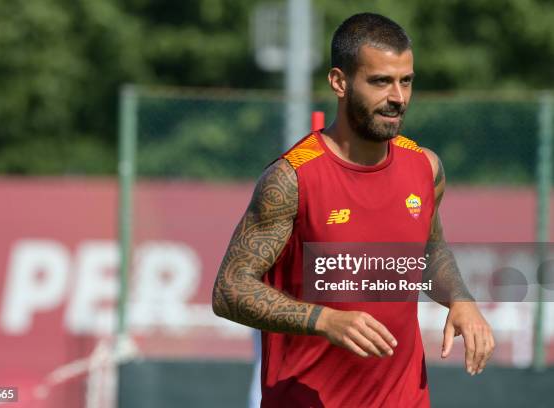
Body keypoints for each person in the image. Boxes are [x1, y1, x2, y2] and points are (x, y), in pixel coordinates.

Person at [212, 12, 495, 407]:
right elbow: (229, 290)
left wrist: (460, 299)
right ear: (339, 82)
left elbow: (430, 251)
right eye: (380, 81)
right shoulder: (292, 178)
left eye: (406, 81)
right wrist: (324, 320)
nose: (397, 97)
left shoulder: (425, 167)